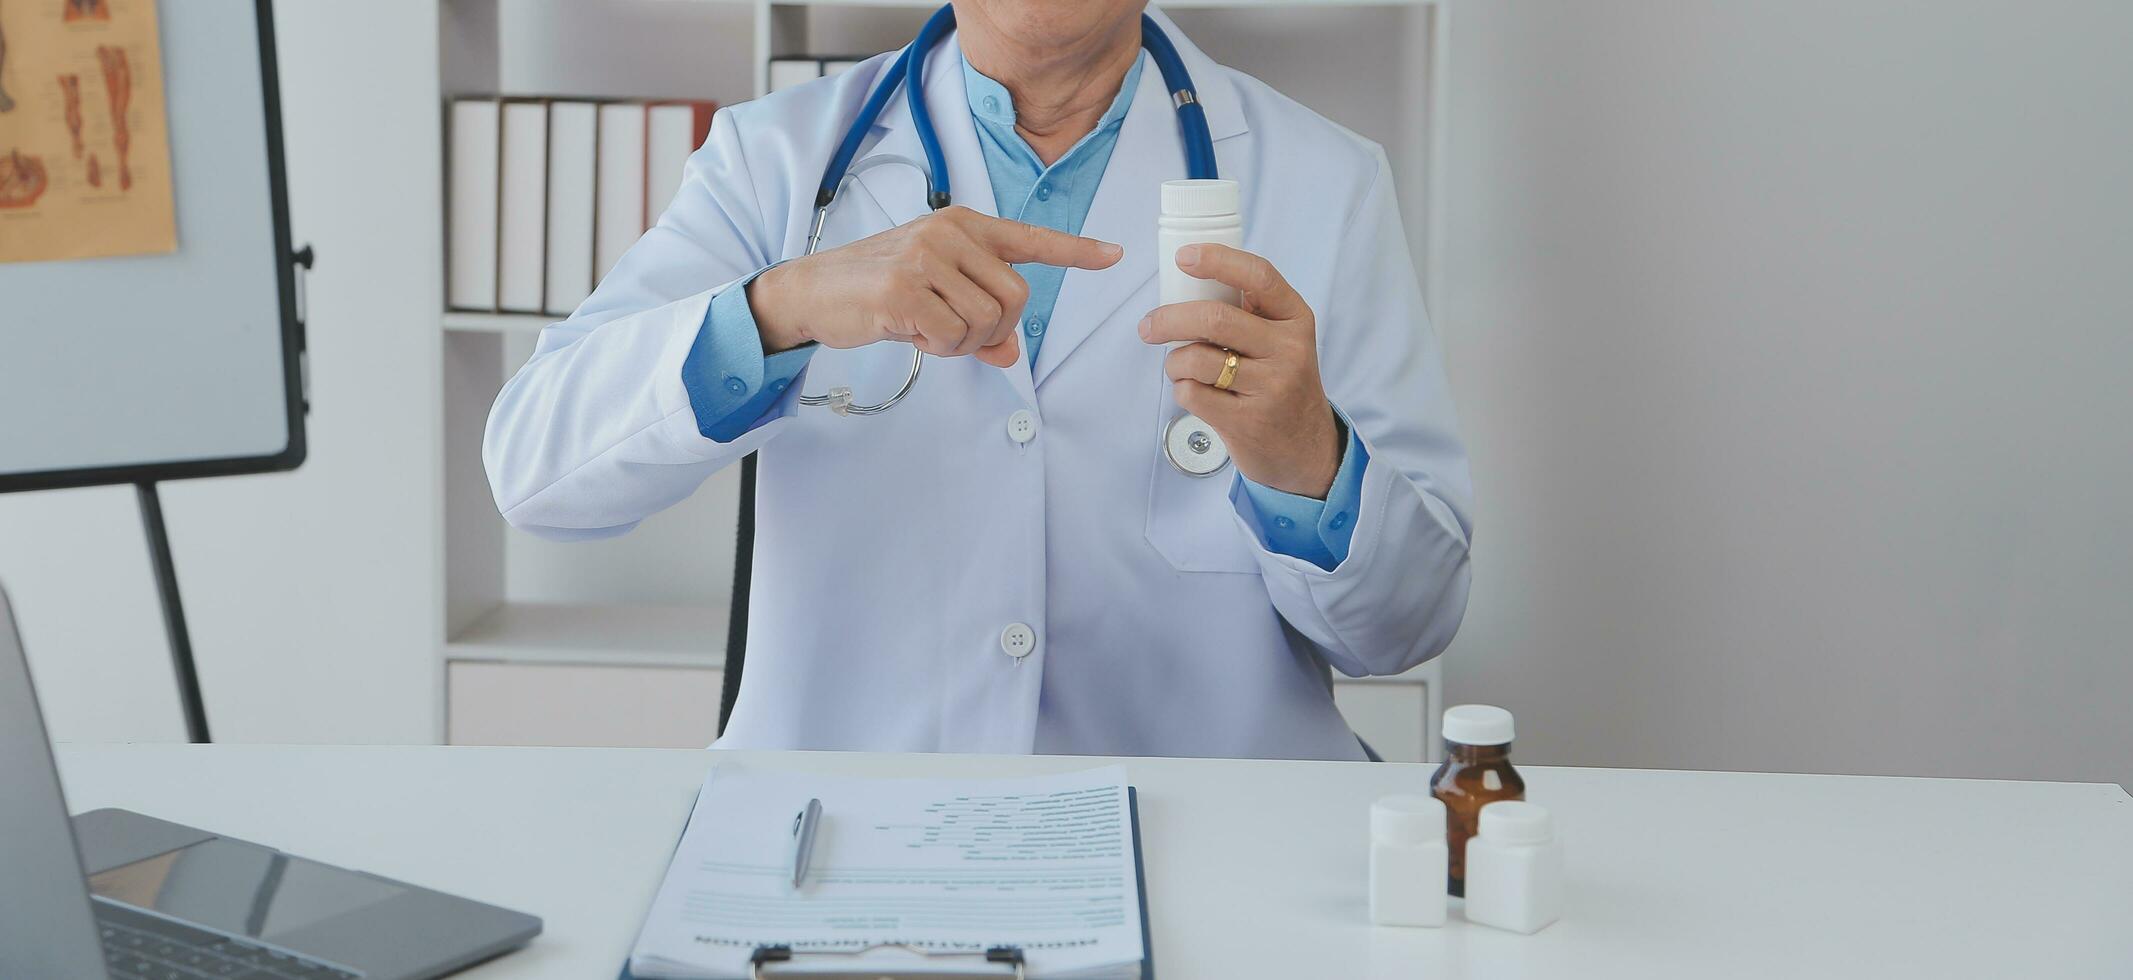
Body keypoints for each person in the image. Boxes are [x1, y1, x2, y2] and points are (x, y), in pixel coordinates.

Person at [483, 1, 1472, 760]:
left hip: (1210, 846)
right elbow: (534, 470)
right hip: (859, 851)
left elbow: (1408, 626)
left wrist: (1311, 458)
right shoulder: (775, 162)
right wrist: (779, 305)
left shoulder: (1324, 182)